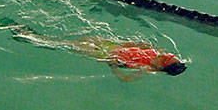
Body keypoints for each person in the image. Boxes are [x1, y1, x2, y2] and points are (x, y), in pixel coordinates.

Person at [12, 27, 187, 80]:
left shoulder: (146, 68)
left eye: (163, 59)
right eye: (166, 56)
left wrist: (112, 65)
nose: (162, 56)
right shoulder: (160, 55)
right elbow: (145, 44)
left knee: (64, 44)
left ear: (160, 67)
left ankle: (29, 36)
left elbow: (125, 79)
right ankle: (36, 35)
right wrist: (131, 44)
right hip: (109, 44)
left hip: (100, 54)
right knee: (70, 39)